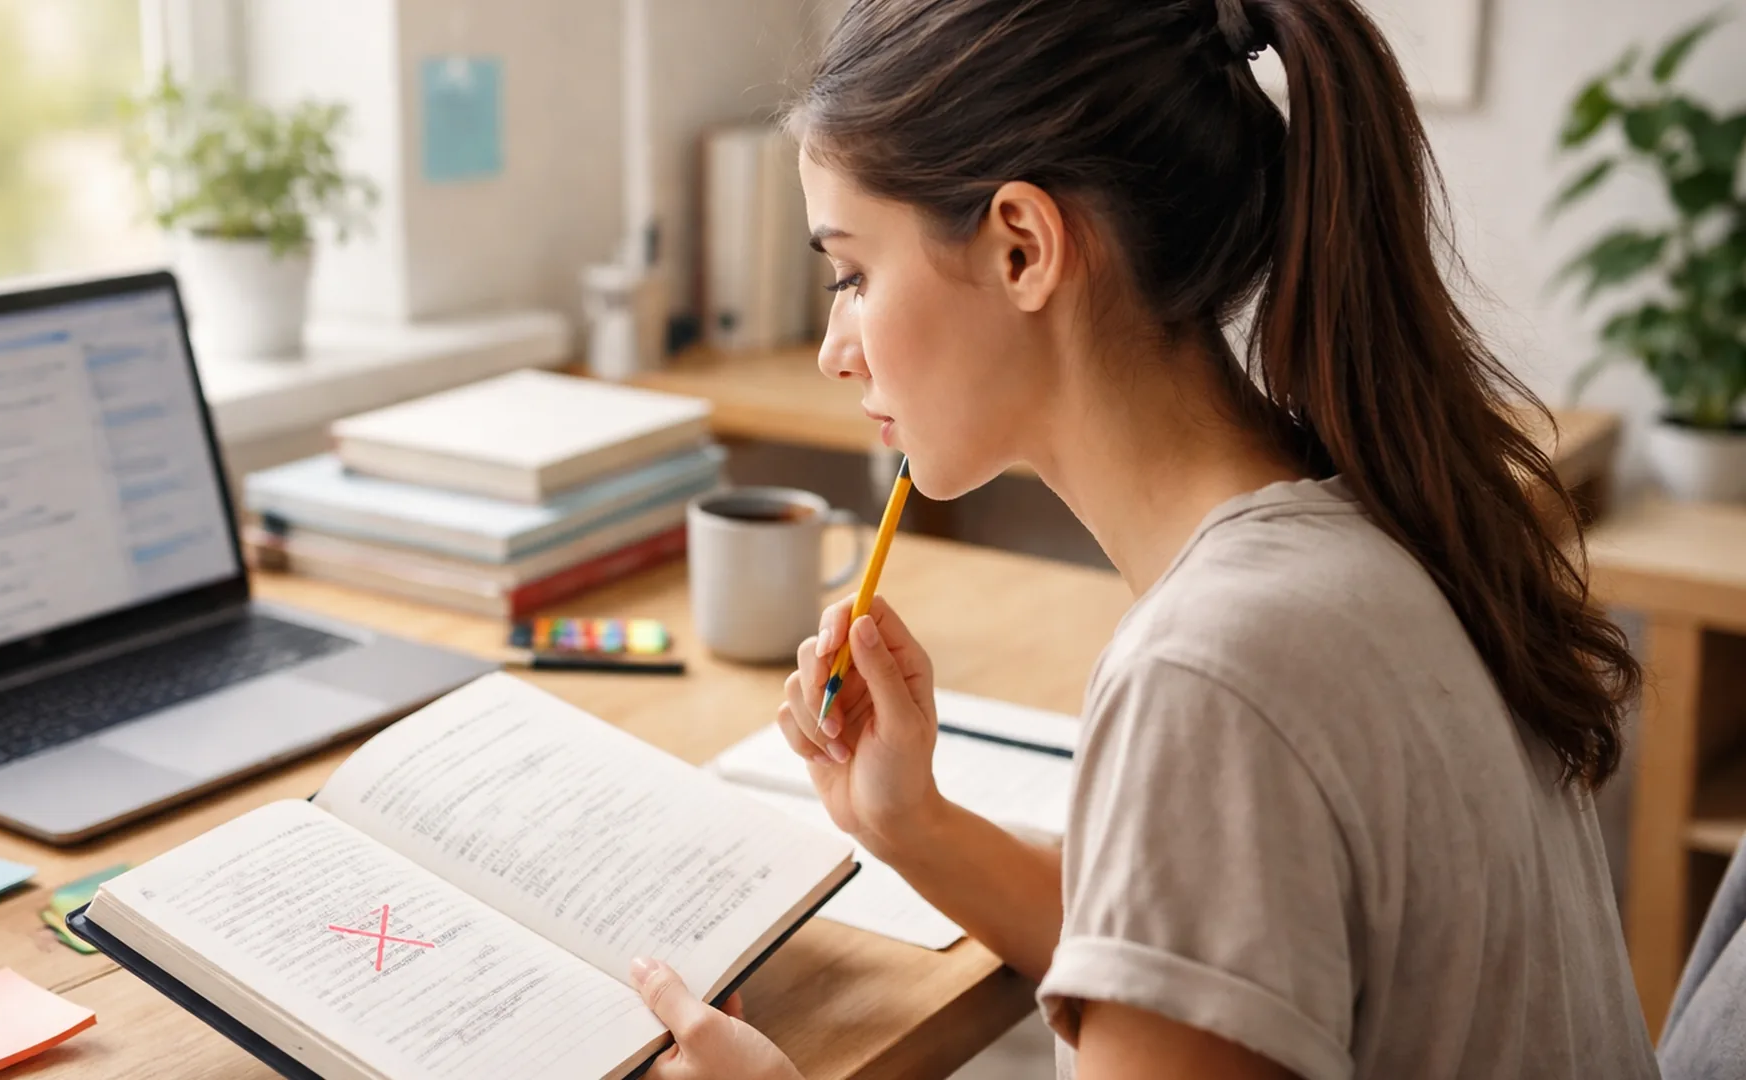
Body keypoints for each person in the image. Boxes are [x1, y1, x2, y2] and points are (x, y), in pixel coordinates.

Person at [624, 0, 1660, 1076]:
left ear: (1023, 247)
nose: (837, 348)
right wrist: (909, 824)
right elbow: (1197, 955)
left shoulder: (1214, 672)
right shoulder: (1366, 523)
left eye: (852, 275)